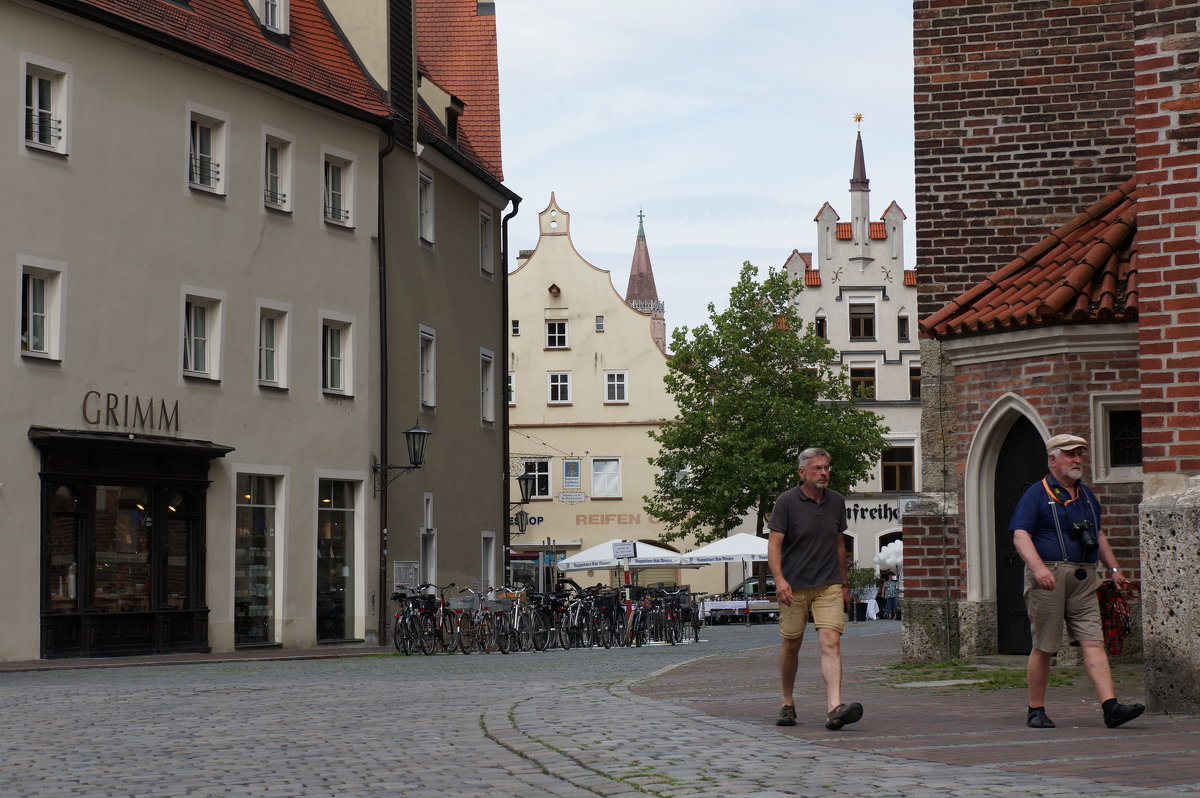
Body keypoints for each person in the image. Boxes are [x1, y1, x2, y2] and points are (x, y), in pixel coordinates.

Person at [1010, 433, 1145, 729]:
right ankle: (1036, 710)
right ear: (1053, 459)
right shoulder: (1036, 493)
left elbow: (1098, 535)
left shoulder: (1086, 496)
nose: (1077, 460)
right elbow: (1021, 535)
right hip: (1049, 576)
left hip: (1085, 576)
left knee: (1094, 642)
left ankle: (1111, 708)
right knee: (1045, 646)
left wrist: (1114, 571)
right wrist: (1037, 568)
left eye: (1080, 454)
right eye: (1071, 454)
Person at [767, 447, 863, 730]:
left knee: (831, 641)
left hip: (828, 583)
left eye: (826, 467)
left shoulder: (836, 501)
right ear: (802, 472)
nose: (823, 473)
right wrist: (780, 580)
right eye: (817, 468)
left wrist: (845, 584)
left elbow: (838, 544)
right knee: (791, 644)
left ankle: (834, 708)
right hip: (793, 585)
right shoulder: (786, 502)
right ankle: (787, 702)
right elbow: (773, 546)